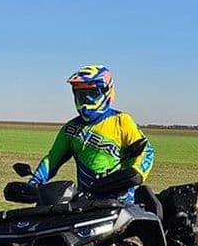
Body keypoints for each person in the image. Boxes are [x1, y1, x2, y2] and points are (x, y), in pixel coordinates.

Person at [28, 65, 155, 202]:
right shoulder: (70, 129)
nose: (86, 99)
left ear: (107, 92)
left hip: (120, 202)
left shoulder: (122, 121)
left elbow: (147, 151)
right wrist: (33, 184)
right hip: (85, 203)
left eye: (93, 93)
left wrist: (136, 172)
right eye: (81, 94)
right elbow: (52, 159)